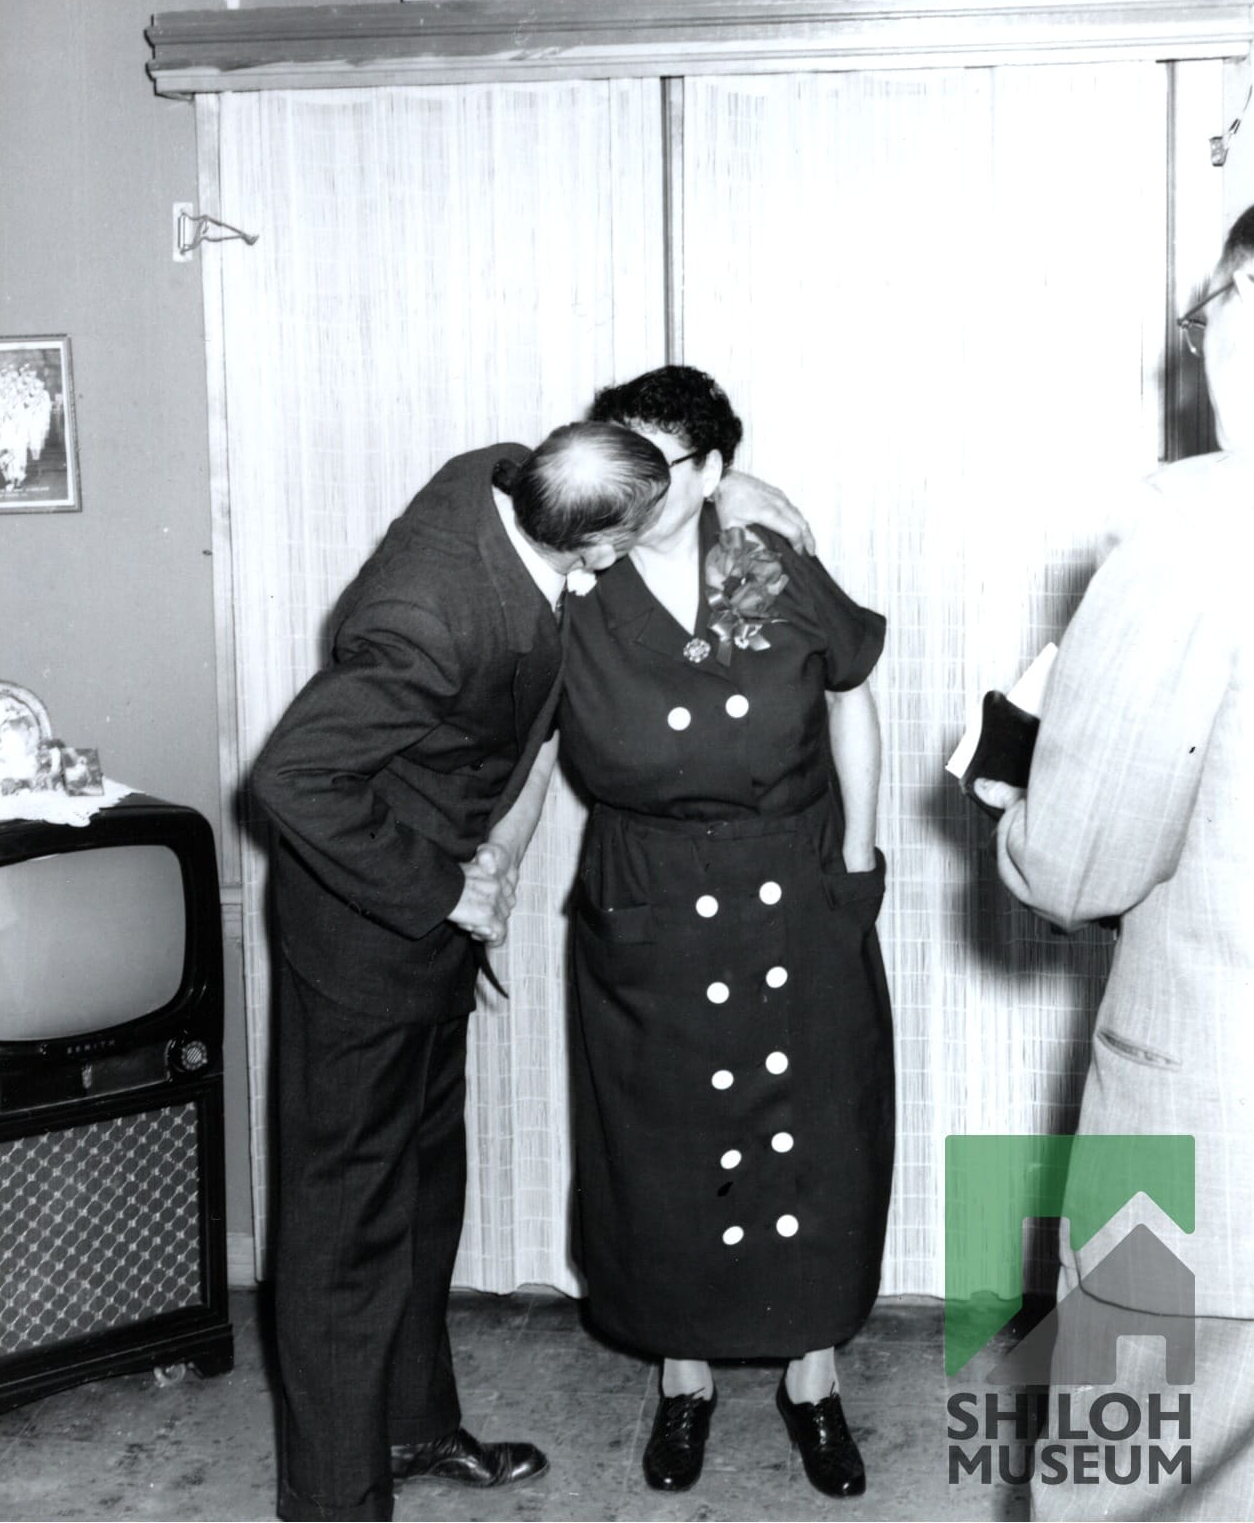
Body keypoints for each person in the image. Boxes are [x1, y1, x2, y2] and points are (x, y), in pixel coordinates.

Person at [251, 415, 810, 1523]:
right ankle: (331, 1499)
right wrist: (443, 886)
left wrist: (744, 498)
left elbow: (619, 468)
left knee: (420, 1196)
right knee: (342, 1219)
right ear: (591, 547)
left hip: (429, 930)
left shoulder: (505, 474)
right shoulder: (430, 619)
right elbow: (291, 780)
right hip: (361, 934)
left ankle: (408, 1424)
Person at [483, 366, 895, 1497]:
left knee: (813, 1137)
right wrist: (498, 871)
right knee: (662, 1143)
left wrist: (859, 851)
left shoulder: (763, 561)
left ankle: (812, 1383)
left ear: (714, 472)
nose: (637, 486)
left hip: (791, 879)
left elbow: (847, 685)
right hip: (648, 895)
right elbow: (535, 749)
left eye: (668, 466)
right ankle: (685, 1380)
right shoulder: (579, 575)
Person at [976, 204, 1254, 1519]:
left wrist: (1016, 781)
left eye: (1201, 320)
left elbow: (1074, 867)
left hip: (1216, 1136)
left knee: (1132, 1481)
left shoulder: (1199, 523)